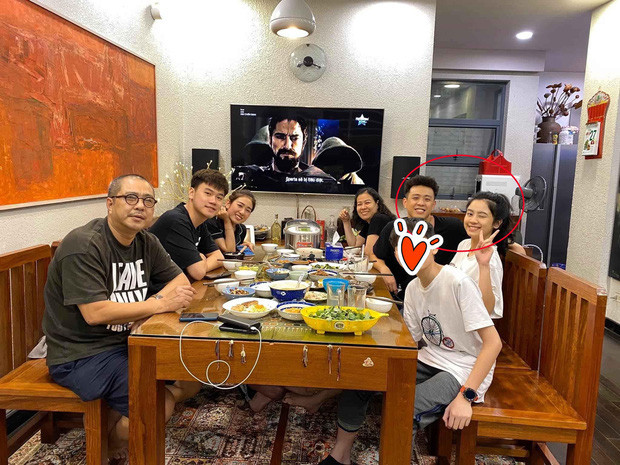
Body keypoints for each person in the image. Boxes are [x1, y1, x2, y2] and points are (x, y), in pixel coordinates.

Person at [319, 218, 502, 465]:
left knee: (403, 406)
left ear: (434, 247)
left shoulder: (458, 282)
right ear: (397, 254)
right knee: (361, 380)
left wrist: (465, 397)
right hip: (430, 358)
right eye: (402, 247)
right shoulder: (414, 288)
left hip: (463, 369)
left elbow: (493, 343)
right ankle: (340, 457)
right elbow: (411, 341)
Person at [42, 174, 200, 460]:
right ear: (109, 204)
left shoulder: (146, 241)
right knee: (157, 404)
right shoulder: (84, 244)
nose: (140, 206)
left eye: (148, 201)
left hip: (126, 342)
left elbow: (180, 281)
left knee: (193, 373)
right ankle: (106, 448)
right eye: (130, 198)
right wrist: (155, 305)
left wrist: (149, 306)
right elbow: (95, 313)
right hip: (81, 353)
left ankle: (114, 423)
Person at [373, 175, 468, 298]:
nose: (421, 203)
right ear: (405, 202)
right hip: (402, 296)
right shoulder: (394, 228)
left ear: (433, 204)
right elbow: (374, 255)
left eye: (427, 199)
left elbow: (472, 249)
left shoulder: (453, 227)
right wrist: (384, 270)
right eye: (415, 198)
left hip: (443, 297)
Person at [150, 169, 228, 280]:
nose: (213, 201)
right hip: (155, 287)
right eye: (208, 193)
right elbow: (198, 272)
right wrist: (201, 259)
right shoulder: (176, 220)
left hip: (177, 284)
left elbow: (219, 257)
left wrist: (202, 262)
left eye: (219, 197)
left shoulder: (200, 222)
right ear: (191, 193)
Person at [451, 191, 515, 318]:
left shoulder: (491, 258)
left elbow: (487, 309)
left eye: (481, 216)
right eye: (470, 214)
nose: (473, 220)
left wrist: (484, 266)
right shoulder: (464, 244)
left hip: (469, 324)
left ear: (496, 223)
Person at [232, 116, 338, 193]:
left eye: (294, 138)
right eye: (280, 137)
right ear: (270, 140)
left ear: (304, 143)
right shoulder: (253, 175)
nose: (287, 145)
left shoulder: (321, 180)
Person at [339, 188, 395, 260]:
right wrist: (346, 221)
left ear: (377, 203)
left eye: (367, 203)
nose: (363, 207)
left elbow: (368, 253)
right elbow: (354, 245)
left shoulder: (379, 219)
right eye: (359, 204)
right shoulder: (369, 222)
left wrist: (360, 252)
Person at [206, 189, 257, 253]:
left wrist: (244, 245)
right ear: (228, 203)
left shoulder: (242, 229)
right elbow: (229, 251)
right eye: (240, 205)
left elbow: (233, 250)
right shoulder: (212, 222)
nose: (242, 212)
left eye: (248, 210)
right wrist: (227, 221)